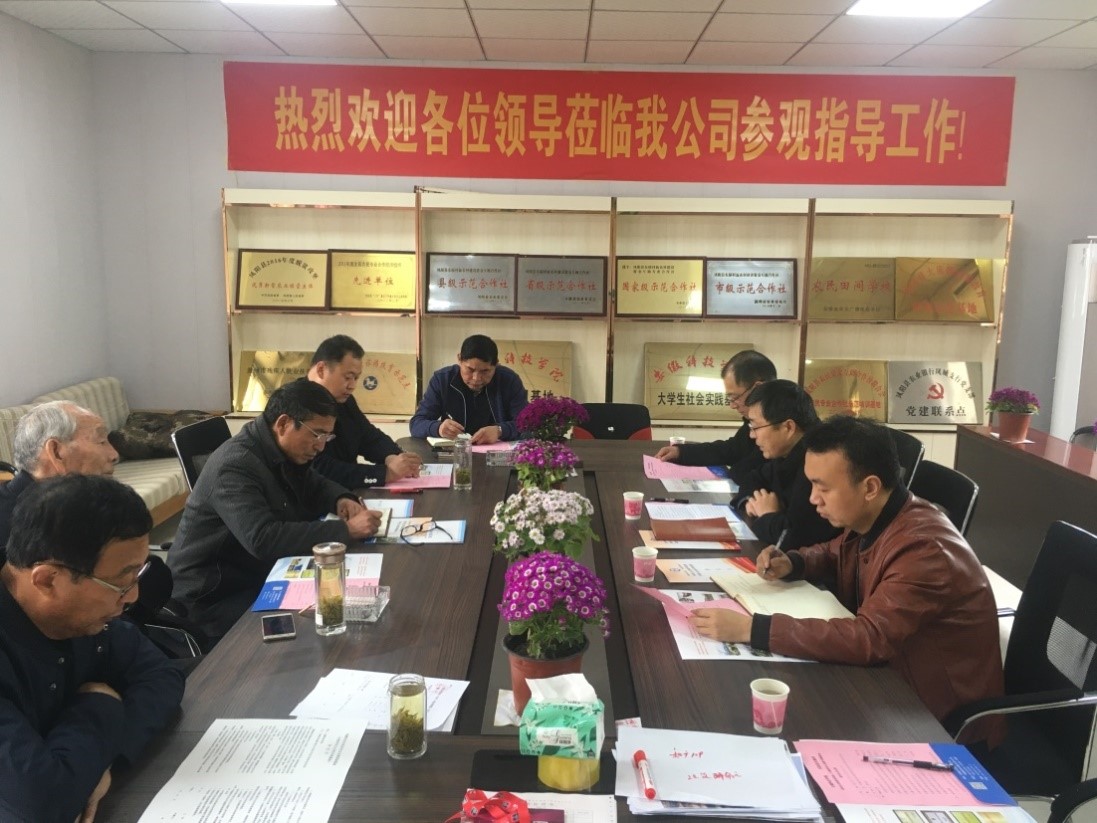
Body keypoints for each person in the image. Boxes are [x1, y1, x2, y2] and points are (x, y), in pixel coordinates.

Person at [689, 415, 1005, 741]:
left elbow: (869, 638)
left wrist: (751, 629)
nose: (813, 498)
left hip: (935, 717)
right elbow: (833, 551)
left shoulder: (925, 550)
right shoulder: (878, 515)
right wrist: (794, 562)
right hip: (888, 682)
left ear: (869, 487)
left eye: (823, 488)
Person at [0, 475, 184, 823]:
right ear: (47, 580)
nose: (133, 596)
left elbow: (161, 675)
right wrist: (100, 703)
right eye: (121, 582)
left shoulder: (82, 615)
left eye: (137, 575)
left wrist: (98, 765)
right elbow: (41, 803)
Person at [167, 380, 382, 645]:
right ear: (283, 424)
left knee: (337, 611)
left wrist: (340, 498)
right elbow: (263, 539)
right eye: (317, 434)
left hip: (255, 572)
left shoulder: (278, 448)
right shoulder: (234, 466)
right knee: (314, 636)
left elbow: (313, 483)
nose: (321, 446)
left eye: (327, 436)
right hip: (214, 596)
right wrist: (346, 530)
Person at [732, 379, 840, 551]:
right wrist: (753, 502)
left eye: (756, 427)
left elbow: (795, 539)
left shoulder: (820, 462)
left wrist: (767, 514)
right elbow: (752, 478)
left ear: (788, 428)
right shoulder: (787, 453)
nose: (752, 435)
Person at [305, 334, 422, 490]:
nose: (352, 385)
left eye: (356, 378)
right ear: (321, 369)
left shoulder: (344, 400)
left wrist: (392, 457)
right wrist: (384, 474)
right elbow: (318, 468)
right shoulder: (298, 402)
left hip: (344, 494)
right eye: (348, 377)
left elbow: (368, 436)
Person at [0, 401, 119, 546]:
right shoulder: (26, 529)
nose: (114, 455)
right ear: (56, 452)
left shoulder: (76, 503)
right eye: (101, 441)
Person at [654, 350, 776, 486]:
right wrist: (681, 452)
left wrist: (736, 471)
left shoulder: (779, 424)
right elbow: (731, 450)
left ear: (758, 388)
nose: (732, 405)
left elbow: (746, 473)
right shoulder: (757, 418)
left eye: (735, 397)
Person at [409, 334, 529, 444]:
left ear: (496, 364)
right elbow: (416, 424)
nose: (476, 378)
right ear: (459, 359)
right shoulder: (442, 380)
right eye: (470, 370)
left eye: (485, 371)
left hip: (498, 455)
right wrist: (438, 428)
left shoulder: (509, 381)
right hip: (454, 453)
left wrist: (500, 430)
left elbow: (528, 426)